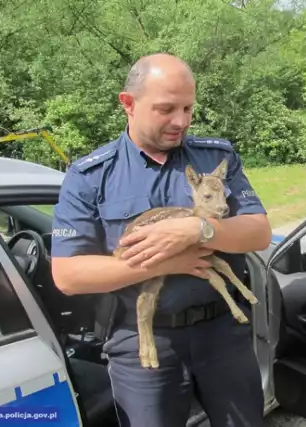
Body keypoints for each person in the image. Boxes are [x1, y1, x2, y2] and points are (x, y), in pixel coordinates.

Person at [50, 53, 272, 427]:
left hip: (222, 333)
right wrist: (167, 261)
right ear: (128, 103)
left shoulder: (215, 158)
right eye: (167, 109)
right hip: (142, 342)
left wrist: (198, 230)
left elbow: (259, 231)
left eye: (188, 108)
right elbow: (69, 275)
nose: (181, 121)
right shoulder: (90, 176)